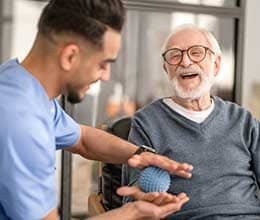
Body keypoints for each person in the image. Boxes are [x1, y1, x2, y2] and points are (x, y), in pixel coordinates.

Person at [0, 1, 195, 219]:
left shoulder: (19, 86)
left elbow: (82, 138)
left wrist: (140, 155)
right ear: (70, 56)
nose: (106, 76)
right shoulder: (21, 123)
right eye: (103, 64)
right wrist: (132, 213)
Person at [124, 24, 260, 219]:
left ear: (216, 64)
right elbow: (134, 198)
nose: (185, 61)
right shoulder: (147, 123)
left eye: (196, 52)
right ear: (166, 68)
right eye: (175, 55)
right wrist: (148, 199)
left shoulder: (242, 120)